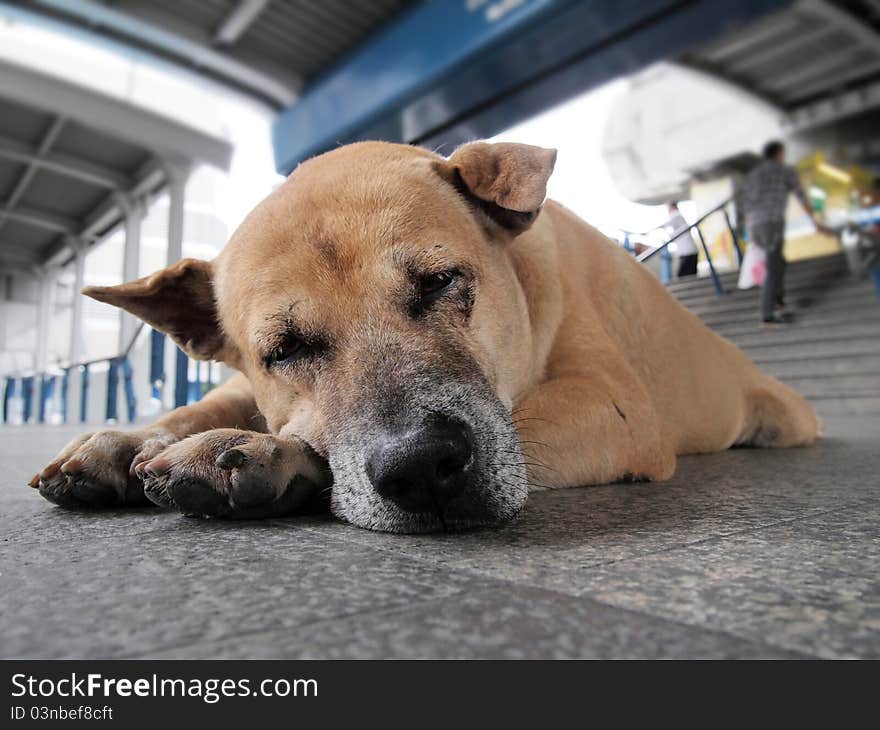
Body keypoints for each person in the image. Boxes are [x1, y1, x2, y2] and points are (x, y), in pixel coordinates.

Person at [741, 140, 827, 324]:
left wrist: (749, 229)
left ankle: (779, 301)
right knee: (773, 267)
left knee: (779, 261)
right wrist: (815, 221)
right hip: (772, 222)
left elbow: (746, 203)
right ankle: (767, 313)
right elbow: (800, 195)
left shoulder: (754, 174)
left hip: (755, 225)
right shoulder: (785, 171)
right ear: (779, 154)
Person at [665, 202, 698, 277]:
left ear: (672, 207)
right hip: (688, 251)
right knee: (690, 275)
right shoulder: (679, 218)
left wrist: (646, 232)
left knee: (683, 275)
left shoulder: (676, 215)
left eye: (668, 208)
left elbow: (665, 224)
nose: (667, 211)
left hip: (687, 252)